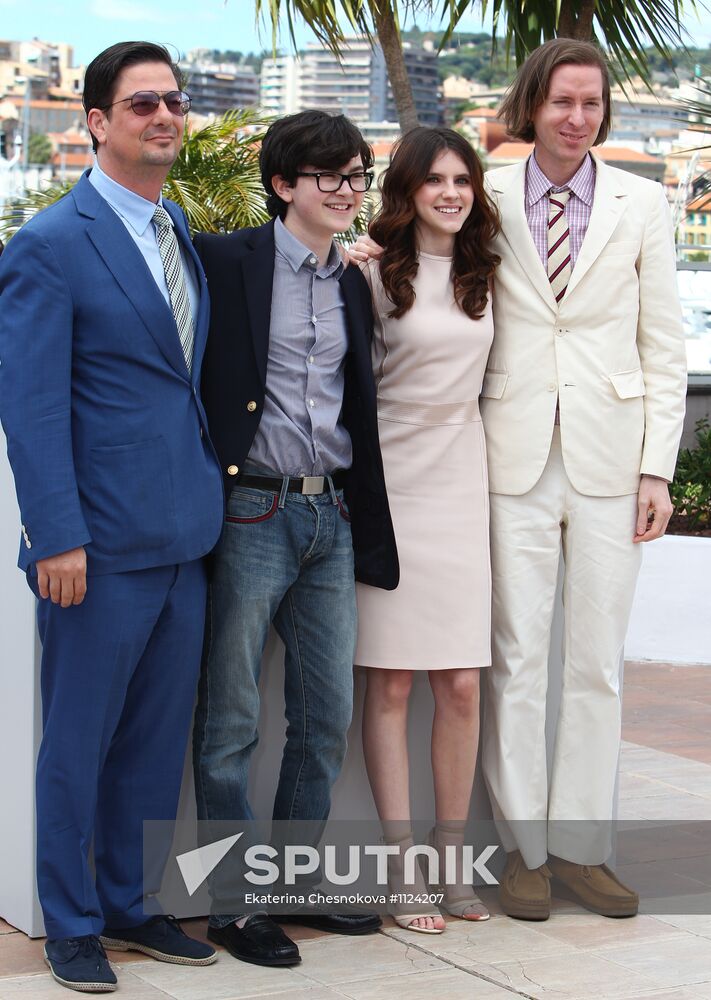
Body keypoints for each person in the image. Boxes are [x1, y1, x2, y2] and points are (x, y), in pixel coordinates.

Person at [352, 38, 687, 923]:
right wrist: (351, 254)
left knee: (595, 666)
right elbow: (408, 256)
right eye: (562, 102)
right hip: (501, 457)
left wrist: (657, 467)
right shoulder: (482, 190)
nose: (577, 119)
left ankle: (583, 849)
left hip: (614, 460)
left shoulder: (643, 203)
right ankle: (525, 852)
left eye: (592, 105)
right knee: (513, 662)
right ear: (531, 104)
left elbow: (663, 346)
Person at [0, 42, 224, 993]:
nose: (165, 117)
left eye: (174, 101)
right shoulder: (50, 244)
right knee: (78, 744)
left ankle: (132, 904)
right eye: (142, 105)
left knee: (151, 742)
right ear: (95, 121)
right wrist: (57, 536)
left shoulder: (176, 229)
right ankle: (73, 922)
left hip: (187, 537)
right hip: (96, 546)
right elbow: (33, 404)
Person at [192, 110, 399, 968]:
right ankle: (234, 908)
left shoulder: (352, 278)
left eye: (358, 176)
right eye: (331, 178)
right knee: (232, 718)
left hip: (332, 516)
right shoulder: (225, 260)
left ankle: (295, 886)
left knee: (323, 720)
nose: (350, 191)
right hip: (251, 512)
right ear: (284, 185)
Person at [353, 126, 499, 934]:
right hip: (391, 485)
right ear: (405, 191)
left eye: (462, 180)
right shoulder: (370, 274)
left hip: (461, 484)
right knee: (391, 682)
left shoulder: (489, 274)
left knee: (461, 684)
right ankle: (402, 870)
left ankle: (452, 865)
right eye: (433, 180)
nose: (450, 192)